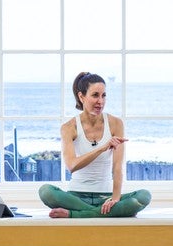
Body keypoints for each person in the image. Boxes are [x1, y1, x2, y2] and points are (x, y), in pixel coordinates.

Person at [38, 72, 152, 218]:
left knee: (144, 196)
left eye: (103, 95)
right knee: (46, 191)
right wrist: (102, 148)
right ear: (81, 97)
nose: (100, 101)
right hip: (76, 197)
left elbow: (117, 167)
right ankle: (108, 213)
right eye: (95, 95)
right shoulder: (69, 127)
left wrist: (115, 199)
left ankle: (75, 214)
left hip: (106, 197)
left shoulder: (116, 123)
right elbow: (71, 165)